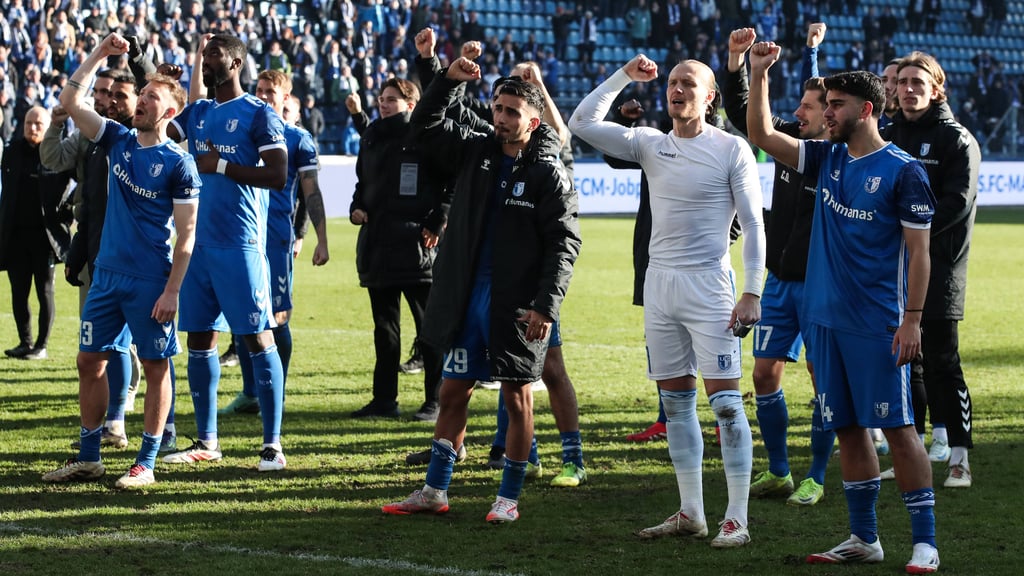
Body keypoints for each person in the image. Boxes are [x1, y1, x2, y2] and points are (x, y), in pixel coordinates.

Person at [745, 41, 940, 572]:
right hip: (823, 322)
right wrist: (758, 74)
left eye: (835, 105)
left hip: (877, 324)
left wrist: (912, 320)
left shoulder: (903, 171)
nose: (826, 113)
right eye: (825, 104)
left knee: (898, 428)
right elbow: (762, 135)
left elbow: (920, 254)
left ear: (866, 109)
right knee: (848, 428)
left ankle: (925, 542)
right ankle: (864, 537)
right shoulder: (825, 158)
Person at [570, 54, 765, 547]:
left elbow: (753, 223)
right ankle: (692, 512)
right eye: (673, 82)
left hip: (710, 288)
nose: (677, 89)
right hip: (659, 286)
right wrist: (623, 76)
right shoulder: (650, 144)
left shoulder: (732, 149)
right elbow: (581, 123)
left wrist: (752, 291)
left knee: (725, 405)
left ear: (710, 96)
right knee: (676, 405)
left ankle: (737, 519)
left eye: (689, 83)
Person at [381, 58, 581, 524]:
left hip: (517, 302)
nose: (501, 118)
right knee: (453, 392)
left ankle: (508, 498)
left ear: (533, 122)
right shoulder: (476, 150)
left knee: (516, 397)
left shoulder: (549, 173)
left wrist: (545, 305)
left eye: (512, 111)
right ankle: (435, 490)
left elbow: (564, 244)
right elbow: (425, 125)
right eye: (498, 108)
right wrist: (447, 79)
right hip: (467, 296)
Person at [40, 33, 200, 489]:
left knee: (155, 367)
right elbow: (71, 102)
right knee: (89, 361)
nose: (141, 100)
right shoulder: (118, 139)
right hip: (106, 276)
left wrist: (172, 290)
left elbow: (187, 236)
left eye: (151, 97)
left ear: (169, 113)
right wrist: (100, 54)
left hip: (150, 281)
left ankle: (145, 463)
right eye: (142, 94)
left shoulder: (179, 164)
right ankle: (89, 458)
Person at [160, 33, 289, 472]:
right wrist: (161, 83)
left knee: (257, 337)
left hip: (240, 243)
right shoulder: (196, 112)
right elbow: (156, 129)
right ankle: (207, 441)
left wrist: (221, 166)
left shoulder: (259, 113)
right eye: (203, 53)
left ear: (235, 63)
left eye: (213, 53)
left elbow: (277, 175)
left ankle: (272, 446)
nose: (205, 59)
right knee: (199, 338)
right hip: (196, 246)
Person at [723, 24, 835, 506]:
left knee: (823, 380)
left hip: (823, 287)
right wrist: (744, 67)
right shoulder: (790, 140)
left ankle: (817, 475)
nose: (798, 113)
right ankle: (780, 470)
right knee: (764, 374)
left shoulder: (840, 158)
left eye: (807, 107)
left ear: (831, 114)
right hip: (780, 281)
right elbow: (745, 116)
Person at [880, 51, 981, 489]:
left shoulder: (956, 140)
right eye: (902, 82)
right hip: (892, 268)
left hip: (940, 269)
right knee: (905, 363)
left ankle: (960, 457)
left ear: (936, 89)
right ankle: (912, 455)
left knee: (942, 361)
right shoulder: (887, 134)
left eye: (917, 83)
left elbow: (957, 202)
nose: (907, 89)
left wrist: (910, 227)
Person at [217, 68, 330, 416]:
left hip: (275, 239)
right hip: (240, 234)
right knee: (242, 314)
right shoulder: (245, 132)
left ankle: (275, 393)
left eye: (271, 91)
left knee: (278, 317)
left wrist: (321, 239)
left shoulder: (298, 140)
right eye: (260, 89)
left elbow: (311, 192)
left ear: (285, 98)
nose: (264, 96)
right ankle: (251, 392)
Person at [347, 76, 448, 421]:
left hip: (417, 248)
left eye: (391, 99)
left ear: (410, 104)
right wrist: (357, 207)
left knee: (429, 330)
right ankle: (384, 399)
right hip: (378, 246)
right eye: (381, 98)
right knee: (385, 331)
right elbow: (363, 184)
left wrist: (438, 220)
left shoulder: (425, 135)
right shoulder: (371, 136)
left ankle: (435, 400)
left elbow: (449, 184)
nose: (383, 103)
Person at [0, 105, 73, 361]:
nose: (32, 128)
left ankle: (41, 346)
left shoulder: (57, 153)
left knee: (45, 291)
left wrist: (68, 210)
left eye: (38, 124)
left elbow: (79, 181)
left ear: (47, 126)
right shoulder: (11, 152)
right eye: (28, 123)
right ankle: (25, 342)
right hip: (15, 236)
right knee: (18, 292)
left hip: (46, 238)